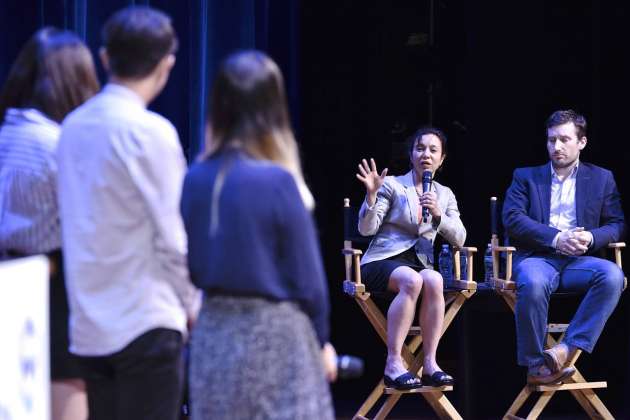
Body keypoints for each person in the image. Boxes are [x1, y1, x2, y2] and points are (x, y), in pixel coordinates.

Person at [56, 6, 200, 420]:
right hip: (146, 322)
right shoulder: (150, 132)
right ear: (166, 64)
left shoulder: (72, 127)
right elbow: (174, 236)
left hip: (87, 325)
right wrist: (193, 305)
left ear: (104, 58)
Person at [180, 50, 335, 420]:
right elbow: (309, 281)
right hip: (276, 337)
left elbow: (193, 265)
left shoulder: (195, 178)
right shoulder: (279, 182)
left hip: (214, 335)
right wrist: (321, 340)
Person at [0, 27, 99, 420]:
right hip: (53, 288)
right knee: (66, 399)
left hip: (9, 277)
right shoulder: (61, 144)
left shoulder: (6, 133)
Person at [502, 109, 625, 385]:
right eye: (551, 140)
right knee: (532, 284)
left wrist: (591, 238)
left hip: (579, 261)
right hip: (538, 258)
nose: (556, 147)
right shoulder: (526, 177)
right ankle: (536, 366)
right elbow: (512, 219)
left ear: (581, 142)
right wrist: (557, 238)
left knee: (613, 276)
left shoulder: (602, 178)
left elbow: (616, 223)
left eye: (564, 140)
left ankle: (565, 349)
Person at [355, 127, 466, 389]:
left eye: (433, 150)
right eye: (420, 148)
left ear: (442, 159)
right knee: (413, 281)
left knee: (435, 280)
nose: (426, 154)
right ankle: (393, 364)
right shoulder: (393, 185)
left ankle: (430, 364)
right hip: (382, 260)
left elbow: (460, 237)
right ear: (411, 154)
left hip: (419, 262)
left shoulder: (445, 194)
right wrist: (371, 196)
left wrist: (439, 215)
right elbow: (366, 229)